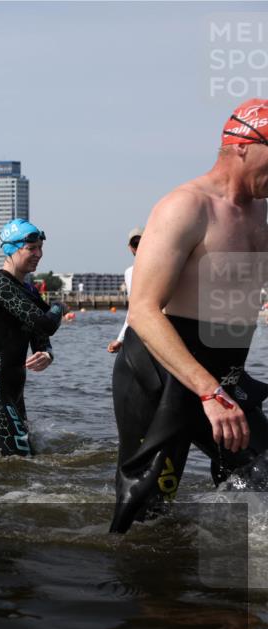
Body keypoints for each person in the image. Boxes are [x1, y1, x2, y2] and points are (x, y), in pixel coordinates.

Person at [110, 99, 268, 533]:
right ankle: (133, 589)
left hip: (224, 375)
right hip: (164, 376)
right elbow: (142, 311)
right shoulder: (186, 207)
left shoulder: (261, 212)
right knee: (148, 516)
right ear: (242, 145)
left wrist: (221, 390)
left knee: (263, 478)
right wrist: (209, 393)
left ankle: (226, 571)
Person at [0, 219, 65, 456]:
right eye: (31, 249)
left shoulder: (28, 291)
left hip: (14, 391)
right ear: (11, 248)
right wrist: (60, 305)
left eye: (40, 248)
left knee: (24, 465)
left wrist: (46, 354)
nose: (38, 254)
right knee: (20, 460)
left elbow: (40, 332)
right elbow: (47, 322)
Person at [107, 227, 144, 353]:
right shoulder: (129, 273)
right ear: (130, 247)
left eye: (141, 243)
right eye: (136, 244)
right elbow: (134, 310)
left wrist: (120, 339)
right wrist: (121, 339)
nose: (138, 247)